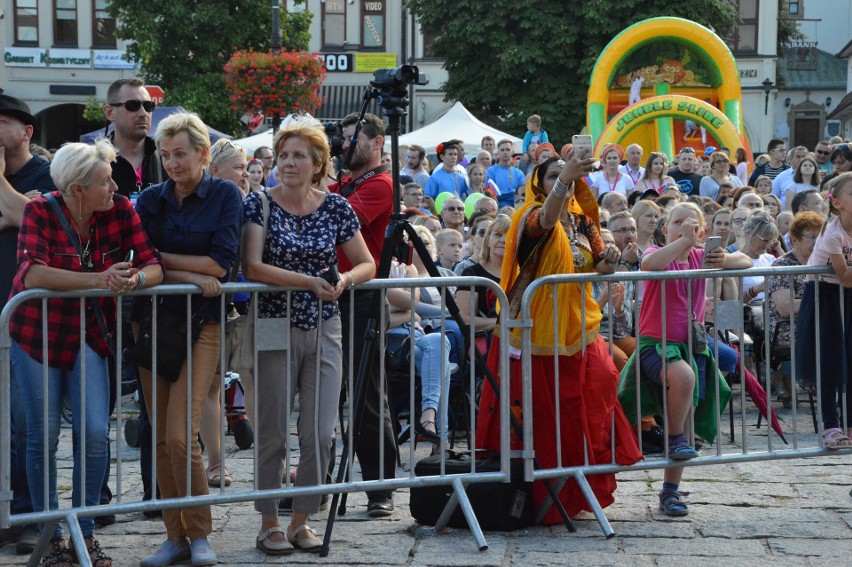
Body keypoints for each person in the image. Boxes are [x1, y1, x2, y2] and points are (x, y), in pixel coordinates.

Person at [9, 140, 163, 566]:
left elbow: (153, 264)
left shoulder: (120, 211)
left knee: (95, 432)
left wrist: (133, 282)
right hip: (37, 335)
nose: (114, 186)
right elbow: (33, 272)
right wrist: (99, 280)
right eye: (105, 180)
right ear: (77, 189)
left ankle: (86, 533)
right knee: (41, 437)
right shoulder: (40, 210)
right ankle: (51, 536)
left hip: (90, 335)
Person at [476, 154, 641, 523]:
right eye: (551, 177)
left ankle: (581, 486)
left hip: (580, 326)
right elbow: (546, 221)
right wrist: (566, 179)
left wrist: (612, 258)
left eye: (563, 176)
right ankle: (538, 497)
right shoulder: (531, 216)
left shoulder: (583, 220)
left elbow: (599, 264)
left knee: (601, 385)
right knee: (545, 413)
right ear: (540, 183)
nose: (559, 182)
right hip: (533, 332)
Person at [242, 123, 374, 554]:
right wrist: (307, 281)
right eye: (283, 156)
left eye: (298, 156)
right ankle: (268, 522)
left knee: (320, 430)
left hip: (325, 323)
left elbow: (366, 263)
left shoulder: (336, 206)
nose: (288, 163)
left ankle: (302, 519)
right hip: (273, 323)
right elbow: (253, 267)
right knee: (273, 430)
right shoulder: (258, 203)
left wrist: (345, 280)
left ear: (318, 164)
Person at [134, 112, 242, 567]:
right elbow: (141, 256)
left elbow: (221, 265)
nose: (172, 162)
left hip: (204, 323)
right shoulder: (149, 199)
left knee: (181, 434)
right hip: (151, 322)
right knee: (159, 436)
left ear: (203, 154)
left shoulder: (225, 194)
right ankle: (174, 536)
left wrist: (163, 267)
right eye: (165, 153)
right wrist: (179, 272)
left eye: (181, 153)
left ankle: (199, 534)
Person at [619, 202, 750, 516]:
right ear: (666, 230)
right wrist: (683, 242)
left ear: (701, 230)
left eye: (691, 223)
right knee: (684, 379)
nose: (684, 226)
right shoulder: (655, 252)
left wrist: (725, 257)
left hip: (690, 346)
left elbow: (745, 259)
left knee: (689, 415)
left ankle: (670, 492)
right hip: (655, 346)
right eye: (677, 222)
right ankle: (673, 437)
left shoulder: (700, 256)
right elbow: (650, 265)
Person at [328, 112, 397, 517]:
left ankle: (379, 487)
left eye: (353, 139)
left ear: (376, 144)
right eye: (343, 139)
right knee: (325, 397)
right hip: (330, 294)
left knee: (367, 393)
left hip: (362, 297)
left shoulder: (382, 185)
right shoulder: (344, 184)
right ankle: (317, 486)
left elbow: (335, 220)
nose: (345, 146)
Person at [0, 93, 57, 554]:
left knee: (25, 423)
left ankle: (27, 514)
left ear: (26, 132)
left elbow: (31, 217)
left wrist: (3, 189)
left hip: (27, 318)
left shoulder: (47, 175)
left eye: (2, 123)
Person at [197, 138, 251, 490]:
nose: (246, 175)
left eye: (247, 168)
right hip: (215, 308)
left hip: (250, 309)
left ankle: (270, 464)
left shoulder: (255, 205)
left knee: (255, 382)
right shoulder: (206, 207)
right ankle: (216, 463)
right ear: (216, 170)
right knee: (212, 386)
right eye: (240, 168)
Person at [795, 172, 852, 449]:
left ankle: (850, 424)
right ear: (838, 203)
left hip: (848, 297)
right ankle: (831, 425)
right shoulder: (833, 232)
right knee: (829, 362)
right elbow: (844, 276)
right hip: (826, 296)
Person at [766, 211, 824, 407]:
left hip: (820, 324)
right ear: (795, 240)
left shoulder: (826, 263)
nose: (818, 241)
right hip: (787, 328)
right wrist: (824, 299)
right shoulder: (781, 265)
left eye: (821, 236)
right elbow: (785, 308)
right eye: (812, 237)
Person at [104, 78, 165, 198]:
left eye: (148, 106)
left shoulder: (166, 158)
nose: (143, 113)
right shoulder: (93, 161)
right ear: (110, 112)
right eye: (132, 105)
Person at [455, 215, 510, 334]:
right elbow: (465, 318)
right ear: (488, 241)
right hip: (485, 342)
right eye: (498, 235)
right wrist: (502, 323)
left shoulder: (522, 273)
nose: (504, 240)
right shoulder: (471, 273)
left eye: (509, 235)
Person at [740, 210, 782, 302]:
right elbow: (733, 301)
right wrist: (756, 290)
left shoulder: (771, 259)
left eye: (771, 241)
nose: (768, 245)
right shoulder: (734, 261)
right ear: (748, 233)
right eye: (765, 240)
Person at [485, 139, 526, 208]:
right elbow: (489, 193)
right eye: (502, 150)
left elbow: (521, 194)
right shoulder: (490, 171)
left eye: (508, 149)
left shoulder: (519, 174)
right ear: (498, 152)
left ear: (512, 152)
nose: (505, 152)